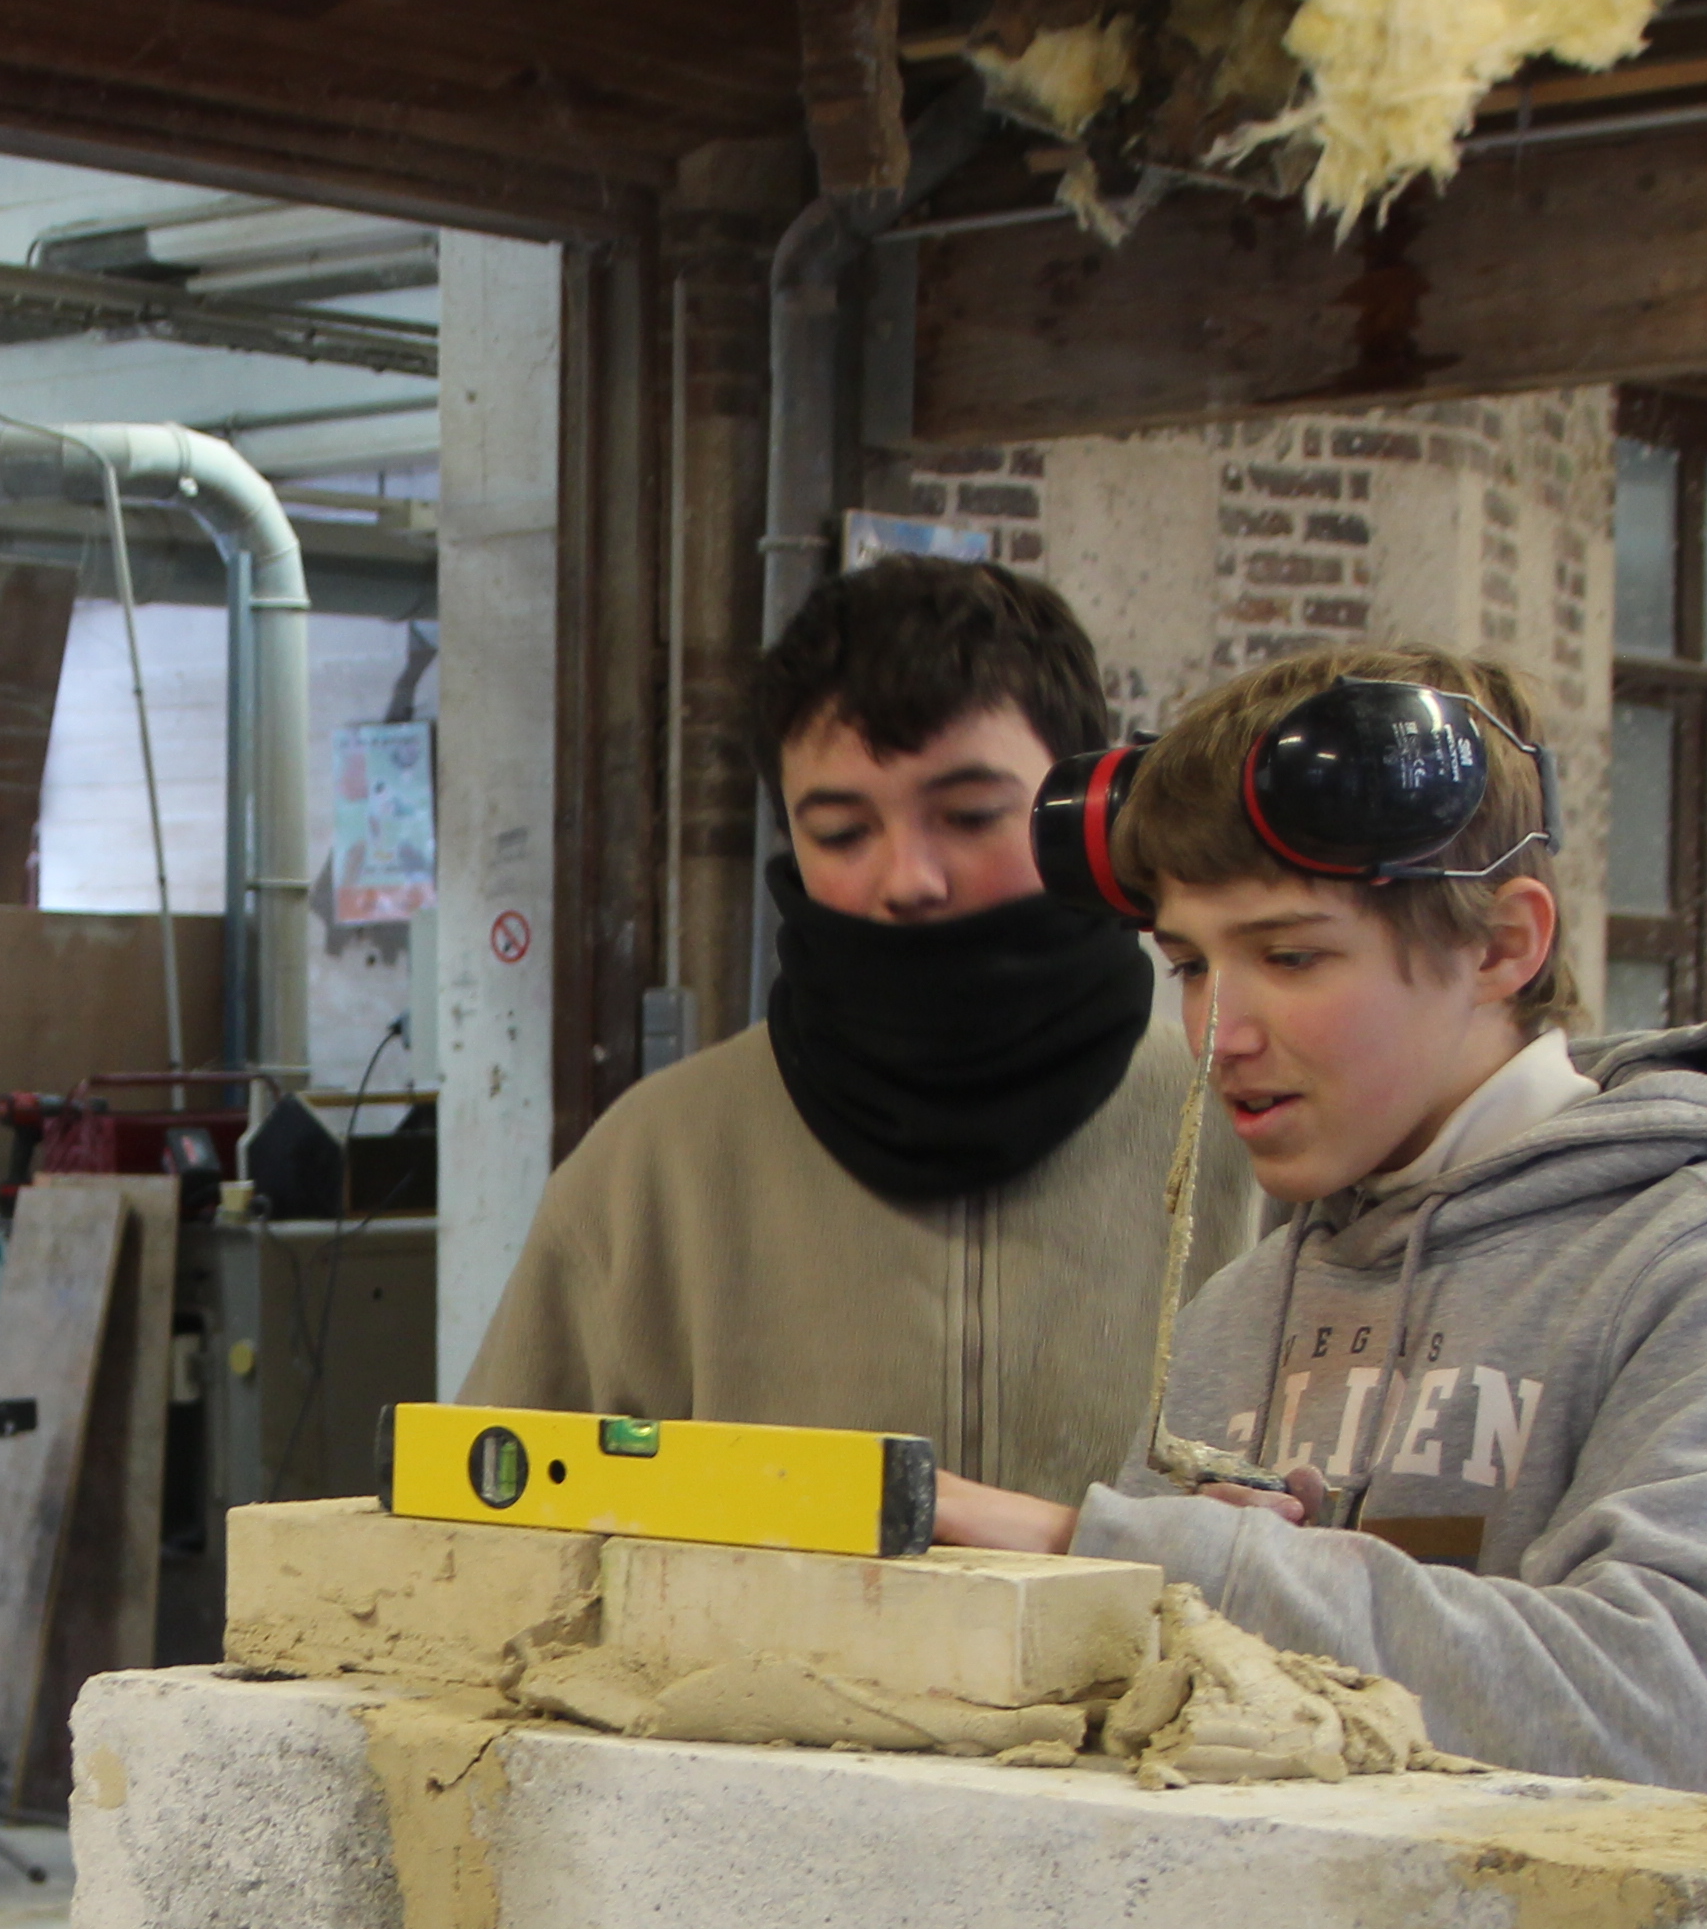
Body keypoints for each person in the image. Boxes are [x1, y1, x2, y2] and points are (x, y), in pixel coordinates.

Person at [932, 645, 1707, 1801]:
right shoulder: (1251, 1304)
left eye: (1289, 955)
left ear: (1501, 945)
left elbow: (1664, 1711)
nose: (1217, 1033)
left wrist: (1108, 1554)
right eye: (1189, 964)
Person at [461, 559, 1246, 1497]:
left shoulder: (1245, 1145)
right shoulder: (649, 1173)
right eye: (840, 831)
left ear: (1082, 814)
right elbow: (485, 1536)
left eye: (969, 815)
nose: (909, 877)